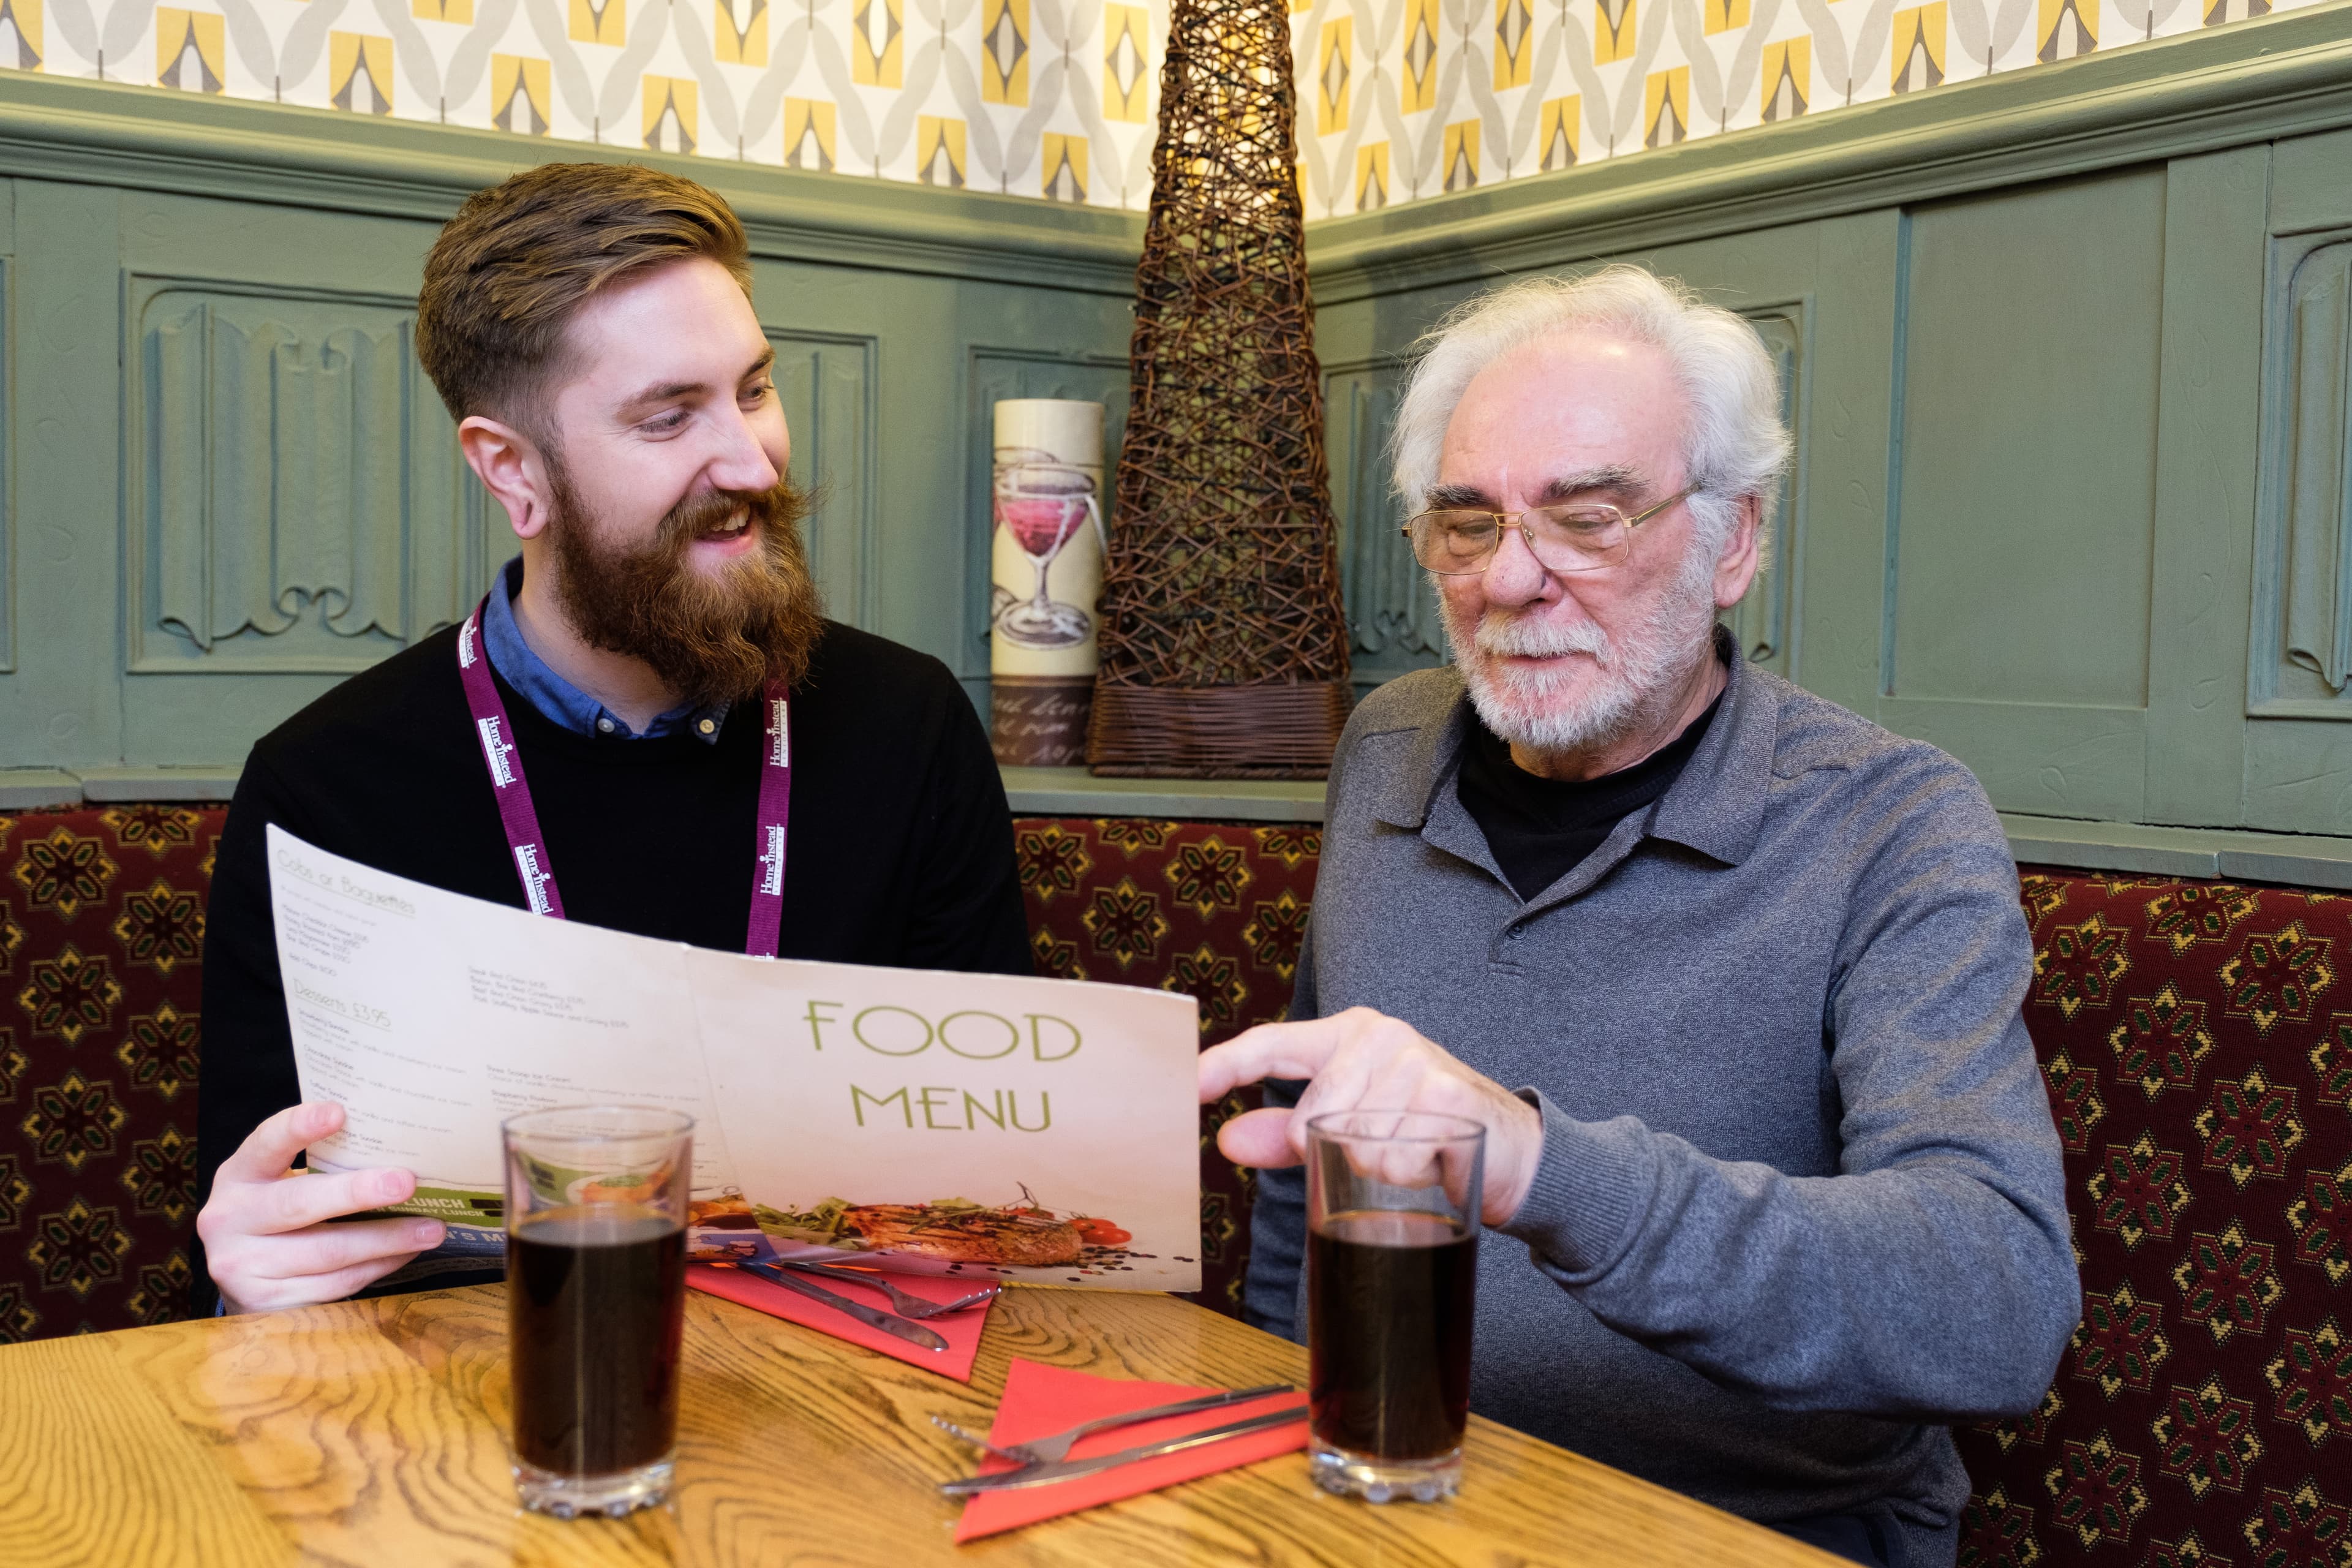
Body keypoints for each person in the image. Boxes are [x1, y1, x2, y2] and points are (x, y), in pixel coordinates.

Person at [1201, 266, 2078, 1568]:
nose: (1510, 579)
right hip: (1386, 1505)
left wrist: (1536, 1164)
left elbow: (1995, 1297)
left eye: (1589, 518)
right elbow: (1312, 1171)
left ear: (1735, 540)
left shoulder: (1892, 822)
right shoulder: (1386, 750)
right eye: (1465, 522)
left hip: (1741, 1532)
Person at [195, 162, 1031, 1317]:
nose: (751, 461)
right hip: (466, 1413)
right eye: (668, 416)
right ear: (511, 470)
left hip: (845, 1398)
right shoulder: (327, 785)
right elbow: (270, 1216)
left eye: (754, 389)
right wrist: (258, 1270)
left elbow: (997, 1170)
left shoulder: (911, 725)